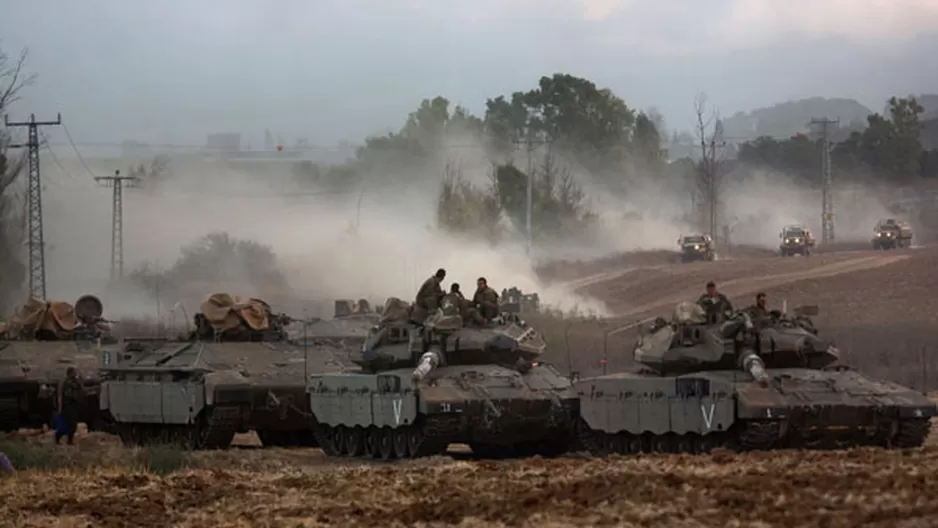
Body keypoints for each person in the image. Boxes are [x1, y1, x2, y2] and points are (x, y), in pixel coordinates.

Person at [56, 367, 83, 445]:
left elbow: (79, 387)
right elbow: (68, 395)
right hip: (68, 406)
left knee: (73, 425)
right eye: (74, 372)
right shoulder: (67, 382)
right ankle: (59, 438)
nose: (75, 373)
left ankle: (69, 440)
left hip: (73, 405)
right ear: (70, 373)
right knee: (67, 424)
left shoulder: (75, 381)